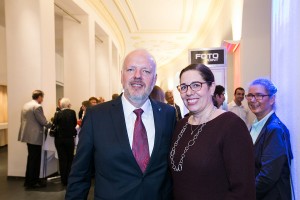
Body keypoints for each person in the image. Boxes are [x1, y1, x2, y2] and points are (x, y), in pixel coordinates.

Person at [66, 49, 176, 200]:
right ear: (121, 76)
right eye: (131, 69)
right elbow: (80, 174)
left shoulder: (168, 114)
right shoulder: (96, 116)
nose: (137, 76)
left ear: (154, 78)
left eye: (145, 71)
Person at [170, 64, 255, 200]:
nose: (189, 92)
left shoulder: (232, 126)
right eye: (184, 87)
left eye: (196, 85)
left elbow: (243, 190)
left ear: (212, 88)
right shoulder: (181, 125)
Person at [246, 78, 293, 200]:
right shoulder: (256, 125)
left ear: (272, 99)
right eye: (250, 95)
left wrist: (245, 195)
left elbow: (268, 176)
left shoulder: (275, 129)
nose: (252, 100)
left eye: (259, 96)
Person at [18, 90, 52, 189]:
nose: (43, 99)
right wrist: (52, 124)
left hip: (27, 135)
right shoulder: (37, 106)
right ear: (39, 97)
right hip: (35, 136)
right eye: (42, 97)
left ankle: (28, 181)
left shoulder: (26, 105)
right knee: (35, 159)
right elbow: (43, 121)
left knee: (31, 158)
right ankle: (33, 182)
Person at [53, 98, 77, 186]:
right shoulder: (72, 112)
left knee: (62, 159)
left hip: (59, 139)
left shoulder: (57, 113)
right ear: (68, 105)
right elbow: (74, 124)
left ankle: (64, 180)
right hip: (69, 139)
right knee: (70, 159)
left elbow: (54, 124)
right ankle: (69, 178)